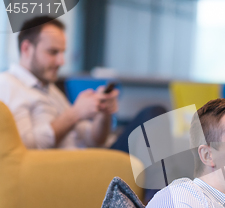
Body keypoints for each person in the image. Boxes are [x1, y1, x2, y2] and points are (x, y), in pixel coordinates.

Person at [0, 16, 166, 152]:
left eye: (63, 52)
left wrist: (103, 114)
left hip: (88, 159)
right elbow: (24, 147)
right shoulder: (8, 85)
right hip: (72, 168)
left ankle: (168, 191)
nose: (61, 61)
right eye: (53, 52)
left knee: (154, 121)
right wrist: (75, 113)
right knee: (153, 115)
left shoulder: (49, 89)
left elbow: (94, 139)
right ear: (26, 48)